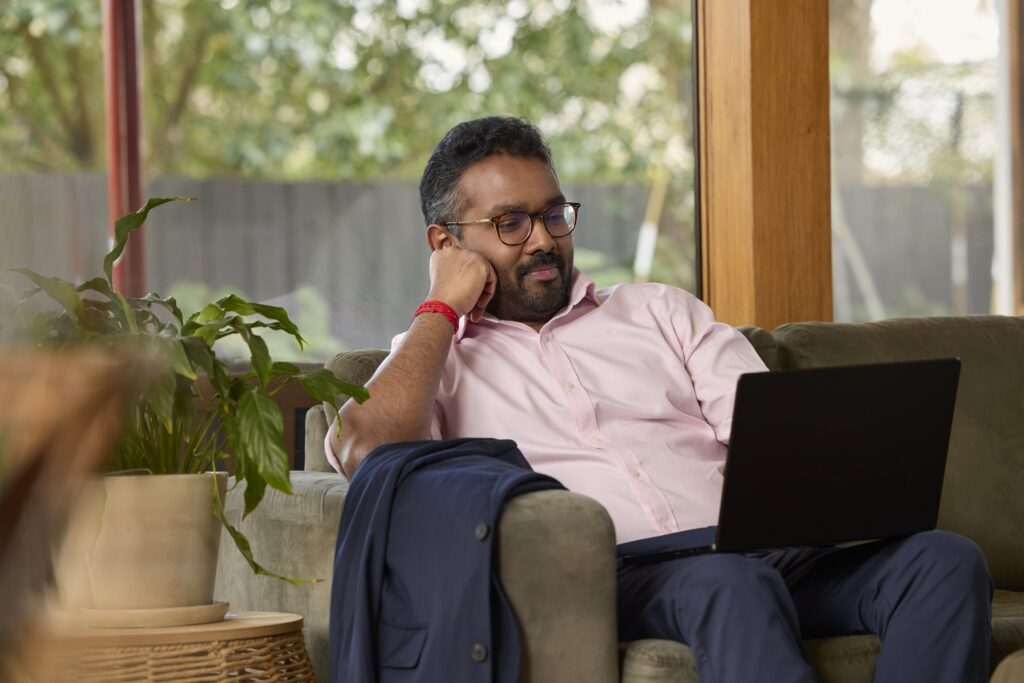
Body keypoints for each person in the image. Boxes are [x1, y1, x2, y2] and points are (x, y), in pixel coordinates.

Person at [326, 116, 992, 683]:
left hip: (765, 549)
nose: (544, 239)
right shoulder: (431, 358)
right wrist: (442, 305)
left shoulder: (659, 311)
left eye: (554, 213)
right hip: (626, 574)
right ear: (446, 242)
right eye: (510, 223)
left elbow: (772, 431)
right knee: (731, 584)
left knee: (943, 559)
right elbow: (368, 451)